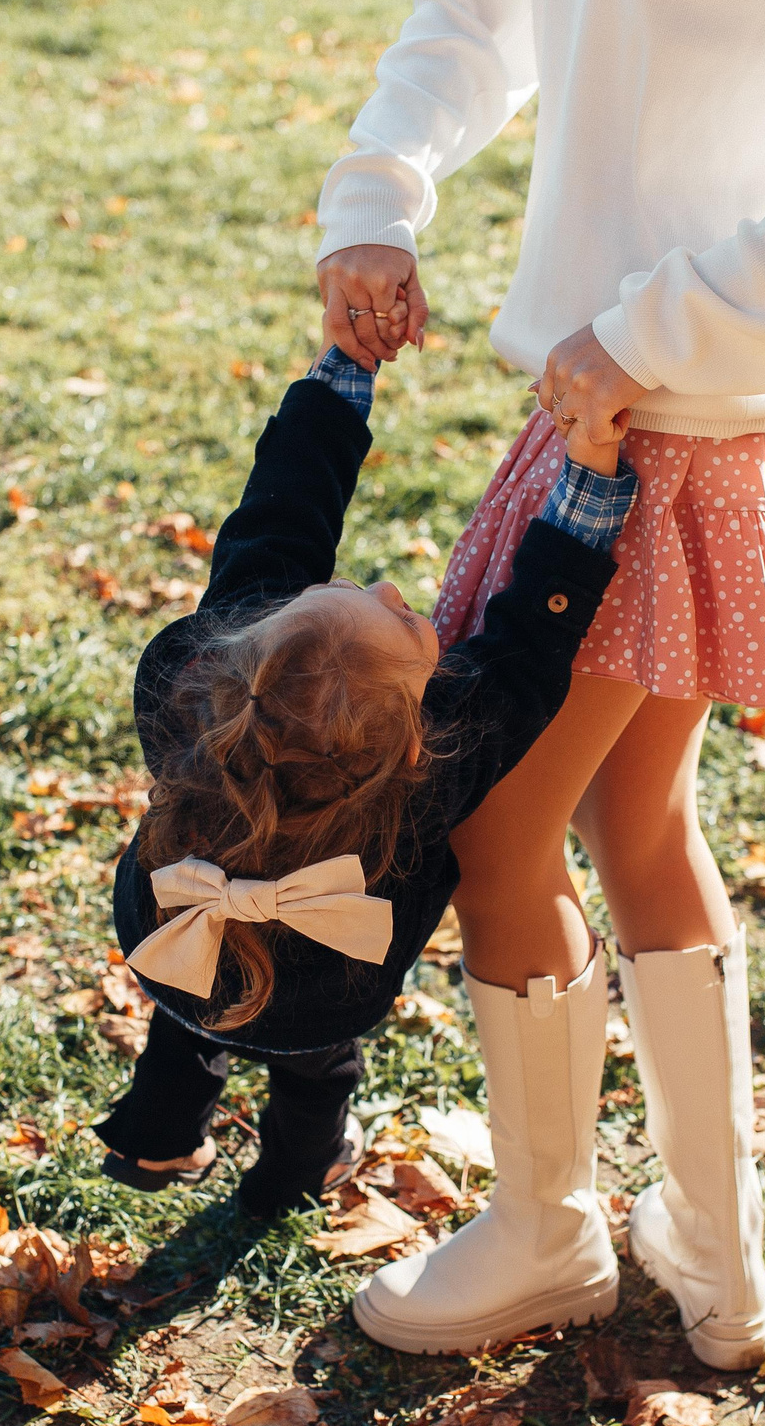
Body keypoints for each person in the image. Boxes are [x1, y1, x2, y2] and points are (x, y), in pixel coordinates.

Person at [316, 0, 765, 1364]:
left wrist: (658, 324)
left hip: (667, 402)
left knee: (493, 820)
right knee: (632, 814)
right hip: (621, 398)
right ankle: (714, 1252)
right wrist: (379, 187)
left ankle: (548, 1233)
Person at [95, 342, 637, 1242]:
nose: (387, 586)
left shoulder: (209, 690)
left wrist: (344, 368)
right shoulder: (434, 767)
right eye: (394, 613)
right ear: (423, 724)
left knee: (193, 1004)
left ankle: (155, 1134)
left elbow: (284, 511)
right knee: (315, 1071)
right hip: (323, 991)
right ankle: (292, 1179)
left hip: (173, 935)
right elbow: (524, 646)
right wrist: (588, 476)